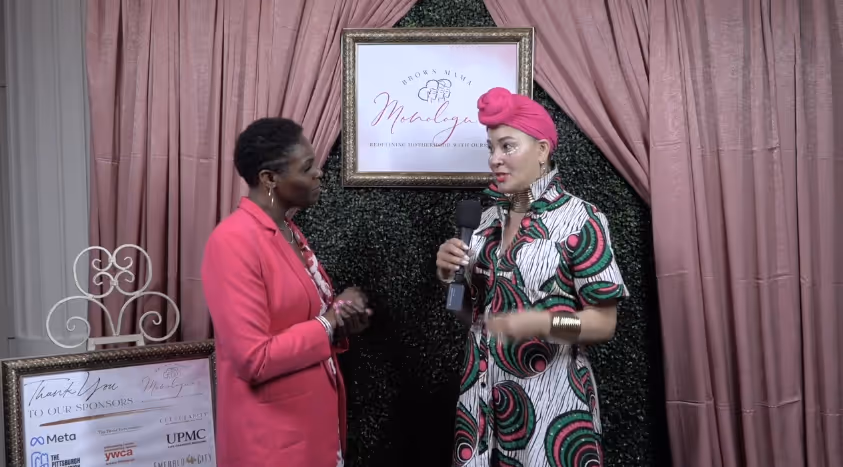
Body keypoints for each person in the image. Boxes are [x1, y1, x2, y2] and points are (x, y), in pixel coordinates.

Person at [436, 88, 629, 467]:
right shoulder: (485, 223)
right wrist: (449, 277)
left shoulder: (581, 219)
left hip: (551, 413)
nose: (494, 159)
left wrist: (542, 323)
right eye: (491, 148)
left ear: (542, 150)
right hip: (480, 410)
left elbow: (603, 324)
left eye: (507, 146)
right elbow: (477, 320)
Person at [201, 117, 372, 467]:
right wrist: (328, 323)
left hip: (311, 433)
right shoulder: (233, 241)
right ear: (269, 179)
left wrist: (342, 320)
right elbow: (253, 358)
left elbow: (300, 316)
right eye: (307, 167)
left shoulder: (288, 231)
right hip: (271, 444)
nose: (319, 173)